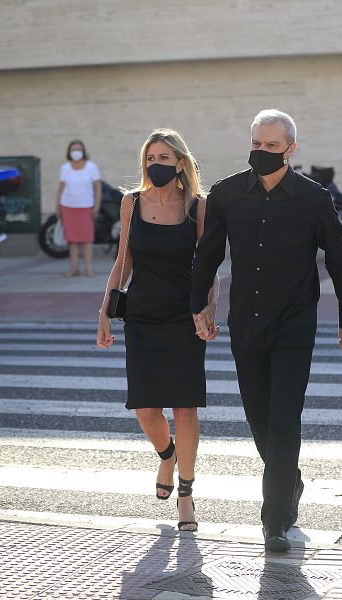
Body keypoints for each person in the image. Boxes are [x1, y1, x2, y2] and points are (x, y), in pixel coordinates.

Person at [190, 109, 342, 552]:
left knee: (284, 421)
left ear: (290, 149)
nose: (262, 152)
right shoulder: (227, 194)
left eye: (271, 145)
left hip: (294, 324)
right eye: (257, 144)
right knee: (259, 421)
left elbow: (340, 260)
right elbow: (207, 256)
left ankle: (276, 521)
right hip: (245, 321)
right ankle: (290, 481)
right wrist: (198, 308)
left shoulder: (313, 198)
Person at [96, 128, 216, 532]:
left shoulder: (197, 206)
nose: (156, 165)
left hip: (183, 317)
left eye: (165, 158)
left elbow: (207, 267)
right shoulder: (131, 202)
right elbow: (123, 261)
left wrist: (206, 308)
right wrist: (104, 310)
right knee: (146, 408)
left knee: (185, 407)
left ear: (180, 163)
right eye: (151, 158)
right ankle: (167, 456)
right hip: (143, 316)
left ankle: (186, 495)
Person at [57, 139, 102, 277]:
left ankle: (88, 268)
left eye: (78, 149)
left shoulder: (91, 167)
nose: (76, 152)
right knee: (72, 240)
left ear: (83, 151)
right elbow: (60, 189)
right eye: (73, 150)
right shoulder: (65, 168)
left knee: (87, 239)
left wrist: (97, 206)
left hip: (86, 207)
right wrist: (58, 207)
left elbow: (97, 188)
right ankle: (74, 268)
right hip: (68, 207)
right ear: (69, 152)